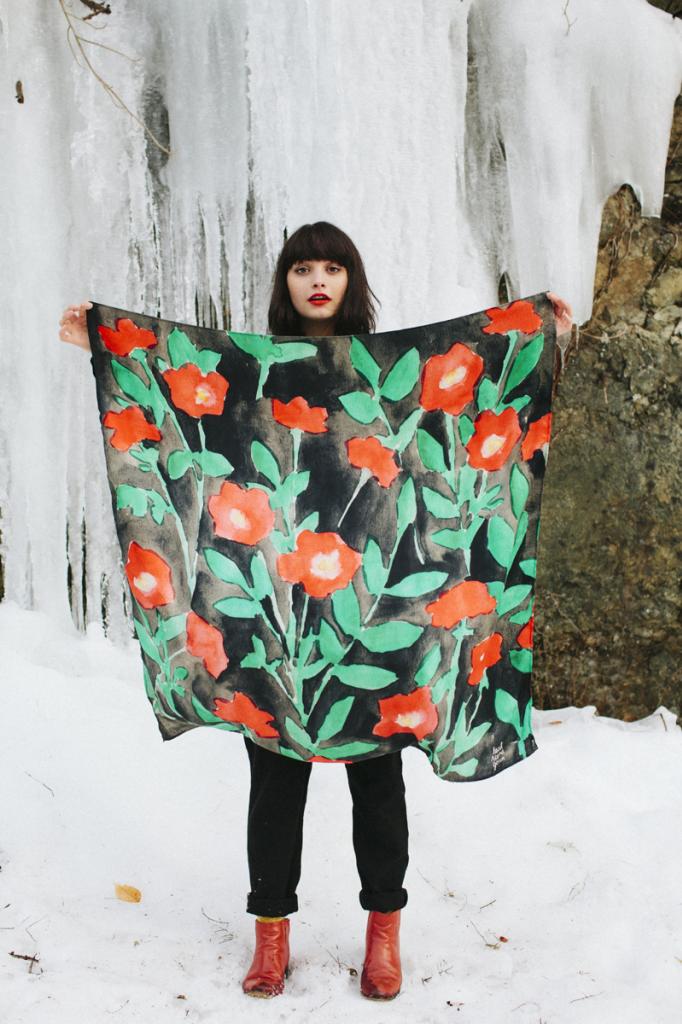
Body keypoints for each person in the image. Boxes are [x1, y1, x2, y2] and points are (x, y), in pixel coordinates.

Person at [58, 222, 573, 1001]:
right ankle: (270, 937)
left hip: (373, 616)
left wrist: (537, 334)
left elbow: (471, 381)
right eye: (304, 268)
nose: (319, 280)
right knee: (275, 785)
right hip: (277, 622)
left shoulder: (391, 366)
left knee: (378, 786)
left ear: (351, 278)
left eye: (333, 267)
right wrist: (101, 341)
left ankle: (383, 937)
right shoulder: (251, 366)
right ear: (287, 281)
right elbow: (166, 376)